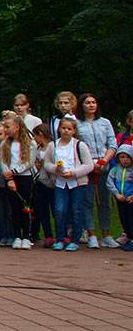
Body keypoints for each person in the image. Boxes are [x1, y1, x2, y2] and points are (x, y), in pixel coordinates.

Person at [45, 115, 93, 251]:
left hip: (77, 183)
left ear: (74, 131)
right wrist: (56, 169)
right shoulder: (52, 145)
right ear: (59, 129)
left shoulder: (79, 145)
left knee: (77, 210)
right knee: (60, 210)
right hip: (60, 183)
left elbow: (88, 165)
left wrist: (74, 173)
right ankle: (60, 238)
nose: (66, 131)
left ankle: (75, 239)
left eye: (69, 129)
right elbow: (47, 163)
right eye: (63, 128)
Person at [76, 93, 118, 248]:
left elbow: (112, 144)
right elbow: (77, 146)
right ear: (82, 105)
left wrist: (104, 161)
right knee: (87, 201)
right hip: (87, 167)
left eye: (94, 102)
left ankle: (106, 234)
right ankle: (92, 233)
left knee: (104, 201)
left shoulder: (105, 123)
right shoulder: (77, 124)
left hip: (103, 166)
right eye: (88, 102)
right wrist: (90, 163)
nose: (91, 105)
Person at [1, 115, 35, 249]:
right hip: (10, 179)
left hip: (24, 177)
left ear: (17, 127)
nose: (5, 129)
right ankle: (16, 236)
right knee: (13, 208)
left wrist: (15, 171)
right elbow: (3, 161)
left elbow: (29, 162)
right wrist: (9, 178)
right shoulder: (5, 143)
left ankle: (26, 236)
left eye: (7, 127)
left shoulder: (29, 143)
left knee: (25, 207)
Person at [31, 123, 57, 248]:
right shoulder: (37, 149)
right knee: (43, 211)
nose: (34, 139)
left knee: (56, 211)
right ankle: (48, 235)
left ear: (41, 134)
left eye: (35, 136)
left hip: (53, 184)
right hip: (41, 183)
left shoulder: (53, 147)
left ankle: (61, 235)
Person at [108, 145, 133, 248]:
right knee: (123, 218)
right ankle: (128, 235)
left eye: (128, 157)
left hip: (131, 199)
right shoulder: (115, 170)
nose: (125, 160)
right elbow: (109, 182)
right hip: (120, 198)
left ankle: (132, 239)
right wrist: (117, 194)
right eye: (122, 157)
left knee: (131, 218)